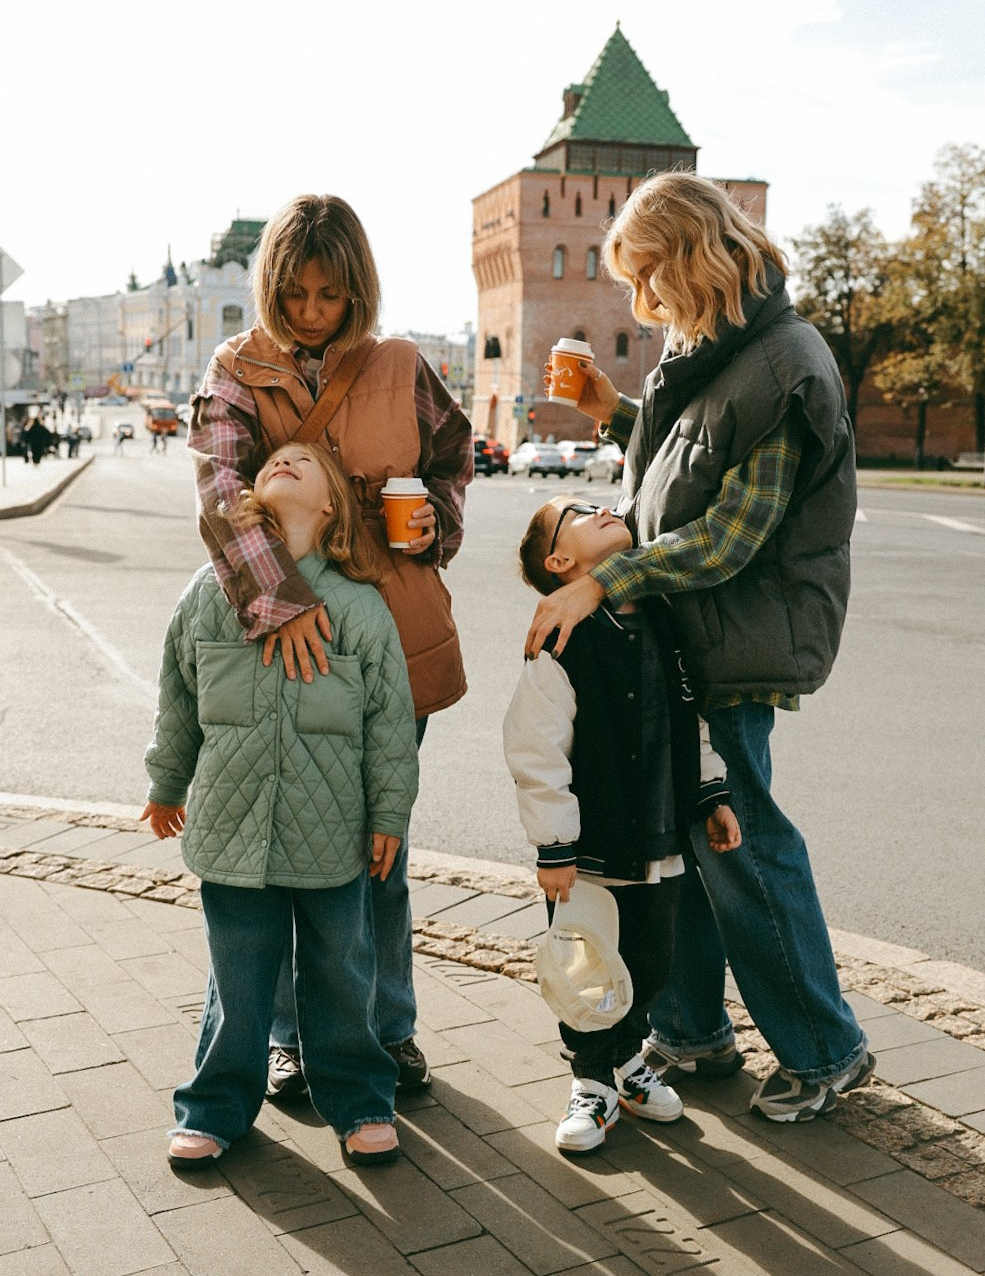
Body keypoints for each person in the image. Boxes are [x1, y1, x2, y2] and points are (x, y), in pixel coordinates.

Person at [524, 171, 874, 1124]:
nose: (643, 301)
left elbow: (729, 534)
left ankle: (823, 1047)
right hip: (693, 639)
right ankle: (689, 1030)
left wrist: (605, 578)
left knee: (743, 843)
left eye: (649, 275)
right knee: (687, 842)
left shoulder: (789, 362)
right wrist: (611, 408)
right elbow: (687, 463)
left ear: (693, 256)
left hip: (735, 638)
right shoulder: (721, 343)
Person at [189, 193, 471, 1101]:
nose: (312, 312)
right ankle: (285, 1038)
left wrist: (436, 521)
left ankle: (386, 1031)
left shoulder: (401, 364)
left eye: (331, 295)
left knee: (375, 850)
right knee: (274, 854)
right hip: (283, 650)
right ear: (272, 286)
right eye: (297, 293)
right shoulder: (235, 367)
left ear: (359, 289)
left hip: (391, 638)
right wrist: (283, 601)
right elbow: (221, 493)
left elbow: (452, 458)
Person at [142, 441, 419, 1169]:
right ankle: (215, 1104)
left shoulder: (358, 604)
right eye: (272, 459)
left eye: (306, 459)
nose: (284, 460)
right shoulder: (209, 591)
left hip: (332, 835)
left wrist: (390, 813)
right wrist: (166, 782)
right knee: (237, 981)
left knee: (341, 972)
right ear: (253, 493)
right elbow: (179, 698)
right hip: (231, 828)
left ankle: (359, 1099)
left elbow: (389, 723)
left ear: (332, 505)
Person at [505, 497, 741, 1153]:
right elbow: (535, 750)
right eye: (579, 510)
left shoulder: (663, 617)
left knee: (648, 960)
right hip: (590, 852)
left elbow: (690, 717)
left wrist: (710, 795)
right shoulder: (562, 636)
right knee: (585, 968)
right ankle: (590, 1078)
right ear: (560, 561)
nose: (604, 504)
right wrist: (554, 844)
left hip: (658, 844)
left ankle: (629, 1060)